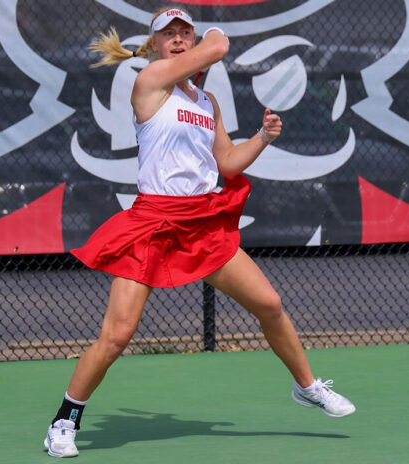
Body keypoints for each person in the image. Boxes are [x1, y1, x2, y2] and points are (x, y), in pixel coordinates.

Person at [44, 6, 355, 458]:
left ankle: (307, 387)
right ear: (153, 45)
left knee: (269, 304)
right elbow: (221, 45)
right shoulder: (149, 82)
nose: (176, 38)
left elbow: (226, 162)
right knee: (117, 335)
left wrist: (263, 137)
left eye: (183, 33)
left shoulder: (206, 103)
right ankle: (64, 420)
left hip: (201, 223)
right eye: (167, 33)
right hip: (152, 223)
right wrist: (212, 32)